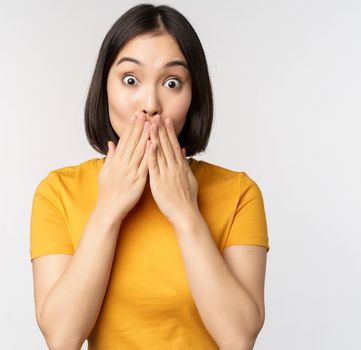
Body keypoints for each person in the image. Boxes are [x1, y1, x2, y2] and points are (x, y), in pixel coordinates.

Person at [29, 4, 269, 349]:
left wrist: (186, 214)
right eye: (130, 80)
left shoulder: (239, 192)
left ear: (193, 95)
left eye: (172, 82)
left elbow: (239, 337)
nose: (151, 103)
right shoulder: (58, 192)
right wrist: (108, 210)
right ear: (105, 88)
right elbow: (61, 338)